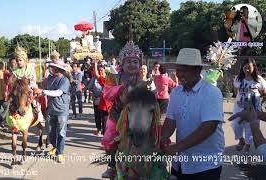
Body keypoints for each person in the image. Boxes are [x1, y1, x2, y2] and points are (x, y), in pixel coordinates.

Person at [161, 48, 224, 179]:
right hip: (180, 163)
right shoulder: (176, 92)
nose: (179, 74)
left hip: (206, 164)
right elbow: (170, 122)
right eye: (178, 70)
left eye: (185, 70)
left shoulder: (211, 93)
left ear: (197, 70)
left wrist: (176, 148)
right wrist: (158, 142)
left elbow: (209, 127)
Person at [101, 40, 148, 178]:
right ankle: (111, 166)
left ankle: (156, 166)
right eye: (129, 62)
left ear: (140, 65)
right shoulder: (114, 77)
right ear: (122, 63)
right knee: (109, 138)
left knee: (155, 139)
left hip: (138, 118)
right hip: (117, 116)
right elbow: (107, 94)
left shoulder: (144, 81)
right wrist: (122, 87)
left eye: (135, 62)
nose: (132, 64)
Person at [35, 60, 71, 163]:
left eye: (54, 67)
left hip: (61, 111)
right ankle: (55, 147)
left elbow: (58, 93)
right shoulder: (50, 78)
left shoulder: (64, 80)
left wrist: (43, 91)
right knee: (50, 132)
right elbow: (44, 90)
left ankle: (60, 153)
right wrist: (38, 92)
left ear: (60, 70)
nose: (52, 69)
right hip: (50, 109)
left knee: (61, 132)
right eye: (51, 67)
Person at [231, 58, 266, 153]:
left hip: (254, 109)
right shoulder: (238, 78)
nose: (246, 69)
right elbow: (235, 91)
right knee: (235, 125)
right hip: (239, 108)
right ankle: (241, 140)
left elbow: (264, 93)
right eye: (245, 67)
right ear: (242, 67)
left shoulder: (259, 80)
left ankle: (247, 147)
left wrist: (260, 103)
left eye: (249, 67)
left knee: (250, 128)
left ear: (254, 67)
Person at [88, 60, 107, 136]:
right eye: (99, 71)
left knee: (104, 118)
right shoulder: (95, 78)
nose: (100, 72)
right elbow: (90, 87)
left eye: (102, 70)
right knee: (97, 116)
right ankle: (99, 129)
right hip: (96, 99)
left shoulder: (108, 79)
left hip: (105, 102)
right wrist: (92, 94)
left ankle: (104, 133)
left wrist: (95, 65)